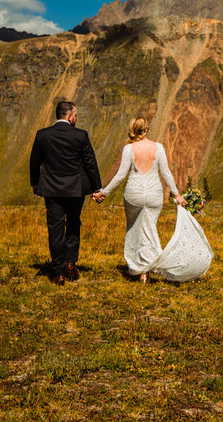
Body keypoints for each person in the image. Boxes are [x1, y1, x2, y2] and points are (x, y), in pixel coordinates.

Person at [94, 117, 211, 283]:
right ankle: (147, 268)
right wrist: (176, 194)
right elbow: (166, 173)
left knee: (135, 229)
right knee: (149, 229)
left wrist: (103, 192)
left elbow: (121, 175)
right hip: (153, 194)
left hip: (133, 193)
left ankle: (140, 268)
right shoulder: (159, 148)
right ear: (146, 129)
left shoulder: (129, 149)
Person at [29, 101, 101, 286]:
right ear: (69, 116)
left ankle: (58, 271)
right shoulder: (81, 135)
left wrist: (36, 184)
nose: (76, 118)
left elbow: (35, 161)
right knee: (74, 224)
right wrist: (96, 188)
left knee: (55, 228)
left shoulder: (43, 135)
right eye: (75, 116)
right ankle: (70, 263)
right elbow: (90, 163)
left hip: (52, 189)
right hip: (75, 189)